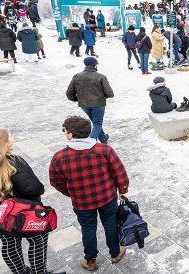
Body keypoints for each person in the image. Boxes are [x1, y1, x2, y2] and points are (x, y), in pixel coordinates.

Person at [49, 116, 129, 271]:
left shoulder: (60, 157)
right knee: (111, 223)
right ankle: (115, 252)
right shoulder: (104, 150)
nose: (64, 133)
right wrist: (122, 190)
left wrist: (71, 192)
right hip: (106, 197)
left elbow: (56, 181)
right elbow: (119, 172)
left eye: (64, 131)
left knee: (88, 228)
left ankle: (90, 260)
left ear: (71, 134)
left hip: (81, 202)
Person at [0, 129, 62, 274]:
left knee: (9, 243)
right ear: (5, 143)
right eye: (10, 136)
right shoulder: (13, 162)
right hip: (21, 213)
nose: (13, 138)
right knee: (38, 240)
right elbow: (33, 189)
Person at [66, 57, 114, 144]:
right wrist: (102, 97)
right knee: (97, 123)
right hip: (98, 104)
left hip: (84, 105)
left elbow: (69, 93)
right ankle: (90, 143)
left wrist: (77, 99)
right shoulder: (101, 77)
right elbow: (110, 93)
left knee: (95, 122)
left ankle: (103, 137)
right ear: (95, 65)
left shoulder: (77, 76)